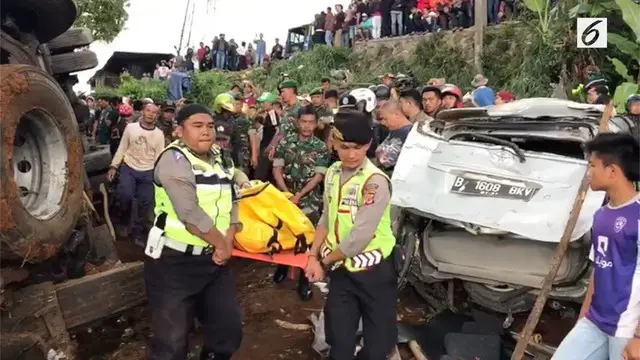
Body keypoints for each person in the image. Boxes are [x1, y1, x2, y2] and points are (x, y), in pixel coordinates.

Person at [146, 104, 244, 360]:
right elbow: (188, 213)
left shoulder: (221, 157)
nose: (206, 132)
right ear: (179, 131)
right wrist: (222, 245)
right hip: (174, 263)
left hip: (214, 260)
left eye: (210, 126)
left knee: (227, 331)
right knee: (172, 342)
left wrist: (230, 236)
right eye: (197, 126)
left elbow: (232, 198)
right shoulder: (174, 160)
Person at [305, 109, 398, 360]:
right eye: (345, 147)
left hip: (374, 272)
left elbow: (360, 236)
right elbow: (326, 217)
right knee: (338, 338)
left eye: (359, 147)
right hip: (342, 271)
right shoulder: (333, 173)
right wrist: (312, 256)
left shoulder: (374, 182)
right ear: (334, 143)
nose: (352, 154)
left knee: (378, 345)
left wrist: (323, 262)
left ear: (368, 144)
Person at [553, 133, 640, 360]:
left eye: (592, 165)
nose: (588, 172)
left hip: (627, 328)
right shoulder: (601, 215)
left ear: (612, 171)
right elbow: (599, 267)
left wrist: (639, 337)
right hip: (595, 321)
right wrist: (584, 315)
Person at [107, 102, 165, 245]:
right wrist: (114, 166)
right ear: (142, 112)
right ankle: (122, 221)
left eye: (154, 112)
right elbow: (122, 148)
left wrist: (160, 176)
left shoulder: (159, 134)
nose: (151, 114)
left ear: (157, 116)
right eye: (148, 110)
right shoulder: (130, 128)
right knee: (124, 195)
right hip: (129, 167)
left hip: (148, 171)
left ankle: (137, 232)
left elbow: (159, 157)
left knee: (144, 203)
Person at [376, 100, 412, 173]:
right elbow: (378, 151)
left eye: (386, 119)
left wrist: (379, 154)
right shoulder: (395, 130)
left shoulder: (405, 133)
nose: (384, 122)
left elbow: (385, 161)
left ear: (396, 115)